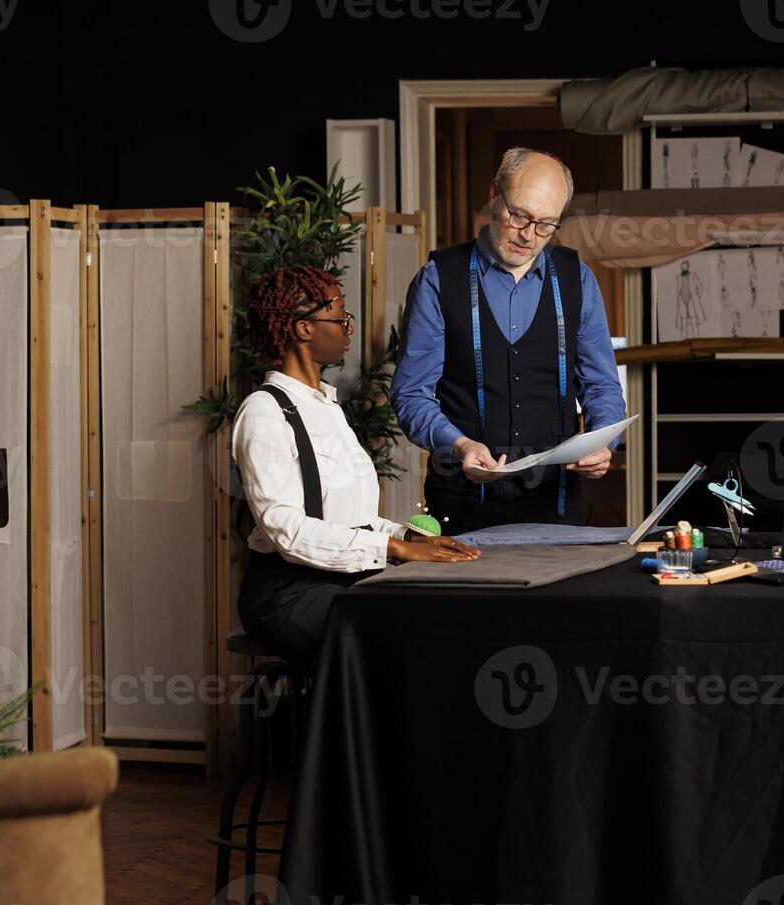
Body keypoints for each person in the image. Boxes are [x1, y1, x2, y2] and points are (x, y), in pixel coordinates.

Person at [233, 265, 478, 661]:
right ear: (303, 329)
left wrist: (408, 537)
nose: (349, 328)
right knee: (401, 635)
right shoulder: (264, 412)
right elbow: (286, 529)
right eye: (340, 317)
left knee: (443, 613)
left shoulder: (327, 406)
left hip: (343, 579)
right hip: (289, 591)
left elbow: (347, 518)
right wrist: (394, 548)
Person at [390, 147, 627, 535]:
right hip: (459, 503)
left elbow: (602, 386)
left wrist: (604, 442)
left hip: (555, 505)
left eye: (546, 224)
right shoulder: (437, 279)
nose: (529, 236)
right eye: (519, 215)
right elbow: (410, 394)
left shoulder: (578, 280)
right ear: (493, 194)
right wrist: (459, 444)